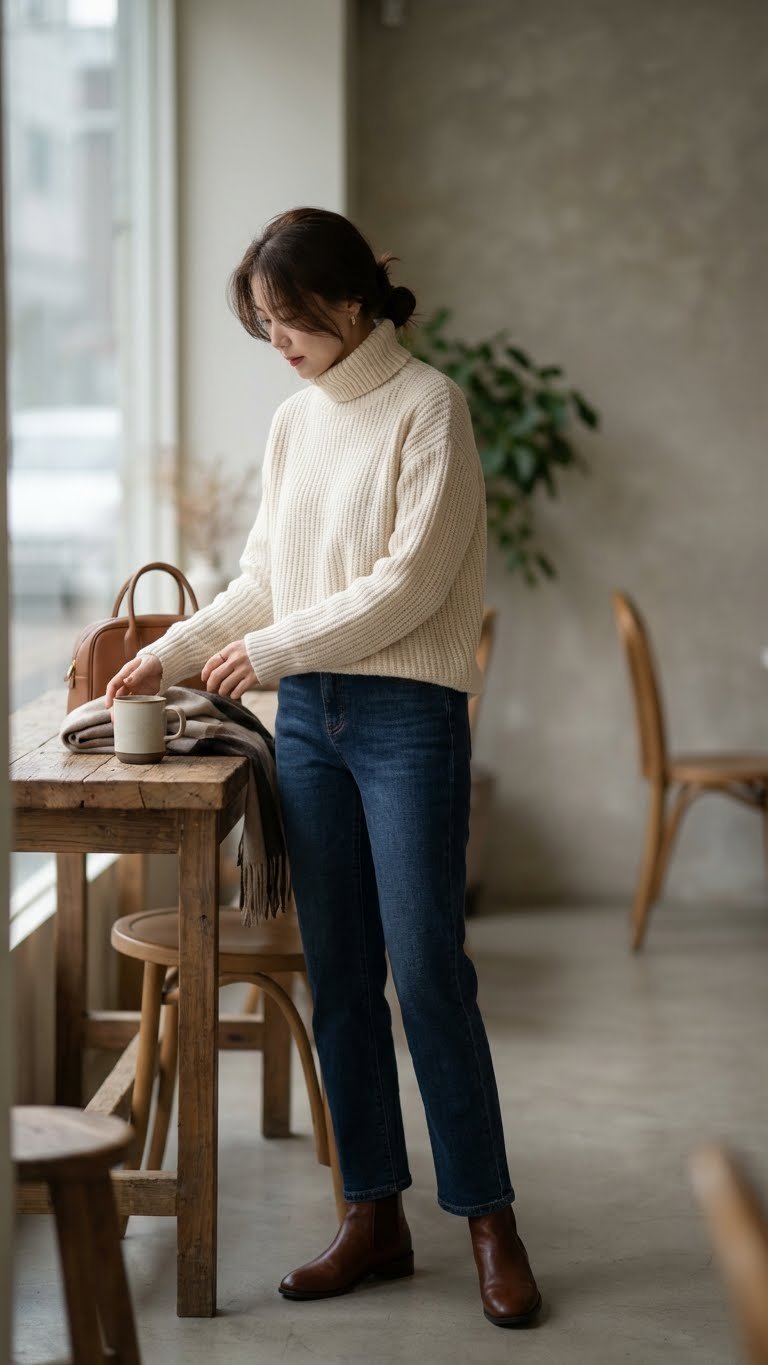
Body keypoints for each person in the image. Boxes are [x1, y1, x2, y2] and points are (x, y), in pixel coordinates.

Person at [105, 207, 541, 1329]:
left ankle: (489, 1219)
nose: (277, 341)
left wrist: (276, 651)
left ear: (350, 302)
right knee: (339, 976)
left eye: (289, 318)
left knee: (429, 973)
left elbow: (405, 586)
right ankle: (373, 1217)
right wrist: (165, 653)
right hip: (308, 723)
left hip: (405, 720)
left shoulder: (430, 408)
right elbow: (264, 579)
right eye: (261, 323)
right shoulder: (297, 425)